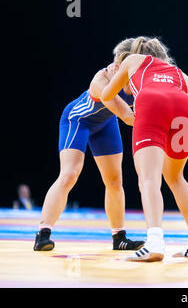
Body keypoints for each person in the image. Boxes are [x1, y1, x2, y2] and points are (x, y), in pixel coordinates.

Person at [97, 37, 188, 262]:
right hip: (184, 108)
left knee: (149, 178)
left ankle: (155, 243)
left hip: (151, 103)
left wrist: (116, 82)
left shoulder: (133, 61)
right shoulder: (181, 75)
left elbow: (106, 95)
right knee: (176, 178)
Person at [33, 37, 151, 251]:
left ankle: (119, 238)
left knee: (115, 180)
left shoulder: (135, 77)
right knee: (69, 174)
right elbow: (127, 115)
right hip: (77, 120)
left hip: (106, 123)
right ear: (117, 66)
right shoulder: (101, 80)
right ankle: (43, 233)